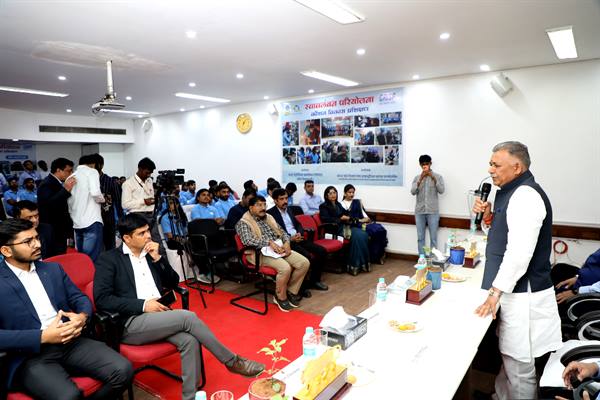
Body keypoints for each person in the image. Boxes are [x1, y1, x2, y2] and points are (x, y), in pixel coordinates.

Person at [94, 214, 264, 400]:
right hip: (131, 322)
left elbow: (173, 281)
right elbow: (102, 299)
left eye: (148, 231)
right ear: (127, 238)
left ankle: (189, 396)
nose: (148, 236)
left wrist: (158, 258)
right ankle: (232, 361)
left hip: (159, 316)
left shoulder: (151, 253)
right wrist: (143, 305)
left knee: (189, 341)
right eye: (141, 233)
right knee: (188, 317)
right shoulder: (109, 259)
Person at [0, 219, 133, 400]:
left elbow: (79, 298)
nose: (37, 244)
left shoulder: (52, 269)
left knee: (123, 371)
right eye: (27, 241)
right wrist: (42, 336)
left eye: (36, 238)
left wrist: (82, 316)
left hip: (71, 342)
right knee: (68, 396)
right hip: (30, 356)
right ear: (6, 250)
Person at [473, 141, 561, 400]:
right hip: (514, 293)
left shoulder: (525, 196)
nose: (490, 170)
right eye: (490, 164)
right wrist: (488, 217)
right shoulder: (510, 192)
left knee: (520, 367)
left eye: (496, 165)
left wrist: (494, 293)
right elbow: (501, 238)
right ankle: (501, 396)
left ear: (517, 167)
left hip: (524, 296)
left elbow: (519, 254)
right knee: (509, 357)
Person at [236, 196, 309, 312]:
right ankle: (280, 296)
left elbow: (283, 232)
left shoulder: (269, 217)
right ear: (251, 207)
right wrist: (269, 242)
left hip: (278, 248)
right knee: (285, 268)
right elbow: (247, 241)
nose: (263, 208)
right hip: (259, 253)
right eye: (259, 205)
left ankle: (290, 291)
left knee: (304, 263)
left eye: (264, 204)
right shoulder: (243, 222)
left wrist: (287, 243)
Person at [268, 188, 328, 292]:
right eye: (281, 199)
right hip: (286, 243)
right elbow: (274, 233)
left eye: (286, 198)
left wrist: (299, 232)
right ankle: (301, 287)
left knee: (321, 251)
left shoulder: (289, 210)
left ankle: (314, 281)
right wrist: (290, 238)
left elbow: (298, 224)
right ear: (275, 201)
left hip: (299, 238)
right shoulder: (270, 214)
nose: (285, 201)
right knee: (306, 256)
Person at [319, 186, 370, 276]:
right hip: (334, 229)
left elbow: (346, 214)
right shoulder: (323, 206)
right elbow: (325, 219)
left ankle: (361, 264)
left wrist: (353, 219)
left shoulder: (338, 204)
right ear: (326, 196)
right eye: (330, 193)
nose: (333, 195)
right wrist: (340, 219)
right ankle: (354, 265)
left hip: (345, 226)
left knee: (363, 234)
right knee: (358, 236)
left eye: (334, 193)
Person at [121, 157, 164, 253]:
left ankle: (160, 261)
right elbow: (125, 204)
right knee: (141, 245)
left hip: (151, 215)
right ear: (140, 169)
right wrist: (143, 201)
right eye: (147, 172)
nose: (149, 175)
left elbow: (150, 196)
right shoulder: (128, 183)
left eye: (150, 173)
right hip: (137, 216)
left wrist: (154, 200)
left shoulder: (149, 181)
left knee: (157, 243)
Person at [67, 154, 105, 262]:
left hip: (77, 223)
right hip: (92, 220)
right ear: (93, 164)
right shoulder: (92, 172)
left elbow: (68, 201)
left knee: (82, 257)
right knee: (92, 258)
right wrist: (102, 200)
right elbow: (95, 193)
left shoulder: (71, 176)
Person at [37, 158, 76, 255]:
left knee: (61, 252)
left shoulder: (56, 182)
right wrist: (66, 190)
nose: (71, 173)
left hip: (59, 227)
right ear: (58, 170)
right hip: (53, 227)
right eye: (68, 171)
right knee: (55, 254)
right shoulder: (47, 184)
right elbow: (50, 204)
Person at [341, 184, 388, 265]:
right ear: (345, 193)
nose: (352, 194)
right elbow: (344, 219)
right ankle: (374, 256)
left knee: (380, 229)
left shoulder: (357, 202)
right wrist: (359, 220)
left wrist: (363, 220)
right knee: (375, 230)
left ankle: (376, 255)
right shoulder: (341, 204)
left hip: (363, 223)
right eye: (349, 192)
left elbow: (366, 217)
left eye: (353, 192)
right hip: (353, 226)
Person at [410, 154, 445, 254]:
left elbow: (441, 190)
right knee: (420, 237)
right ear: (420, 165)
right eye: (422, 164)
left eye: (426, 163)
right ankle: (422, 258)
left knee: (433, 238)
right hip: (419, 212)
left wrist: (433, 178)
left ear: (430, 163)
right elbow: (413, 192)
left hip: (433, 211)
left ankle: (432, 258)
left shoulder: (438, 177)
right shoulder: (417, 178)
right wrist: (420, 180)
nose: (424, 166)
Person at [95, 153, 123, 250]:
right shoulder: (86, 182)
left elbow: (118, 202)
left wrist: (120, 220)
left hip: (107, 220)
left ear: (101, 165)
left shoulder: (111, 182)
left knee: (110, 246)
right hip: (92, 221)